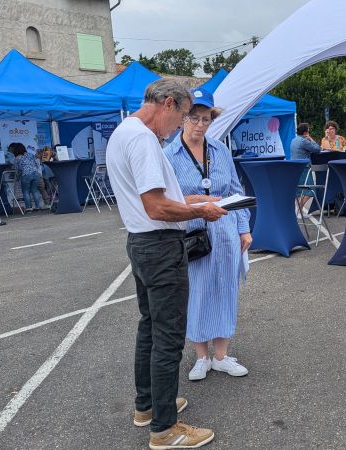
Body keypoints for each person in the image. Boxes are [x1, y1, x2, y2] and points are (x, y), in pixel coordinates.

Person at [105, 78, 227, 449]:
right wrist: (200, 211)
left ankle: (148, 406)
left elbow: (158, 196)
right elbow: (157, 207)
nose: (180, 126)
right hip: (159, 246)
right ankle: (165, 428)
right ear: (168, 103)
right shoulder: (143, 139)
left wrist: (190, 199)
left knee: (150, 327)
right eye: (182, 117)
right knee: (169, 336)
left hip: (142, 243)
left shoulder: (125, 131)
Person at [163, 88, 253, 382]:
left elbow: (235, 191)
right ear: (182, 118)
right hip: (192, 233)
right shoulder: (169, 155)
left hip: (225, 231)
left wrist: (244, 228)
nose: (199, 124)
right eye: (194, 117)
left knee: (226, 289)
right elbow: (166, 199)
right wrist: (199, 203)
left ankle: (222, 356)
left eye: (205, 119)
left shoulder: (220, 150)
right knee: (197, 293)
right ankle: (201, 356)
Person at [290, 122, 323, 213]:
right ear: (305, 132)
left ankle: (296, 211)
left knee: (298, 190)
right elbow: (317, 149)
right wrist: (311, 139)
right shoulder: (304, 141)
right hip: (304, 168)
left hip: (295, 167)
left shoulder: (294, 140)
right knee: (310, 190)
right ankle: (298, 210)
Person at [10, 142, 44, 211]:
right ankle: (37, 207)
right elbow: (36, 164)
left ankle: (28, 208)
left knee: (26, 192)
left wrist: (17, 178)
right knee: (35, 190)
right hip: (35, 174)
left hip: (26, 175)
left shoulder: (17, 158)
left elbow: (18, 170)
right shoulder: (30, 154)